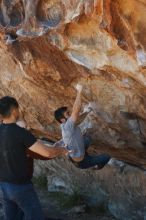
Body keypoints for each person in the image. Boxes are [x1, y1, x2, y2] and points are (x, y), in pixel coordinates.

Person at [0, 96, 69, 220]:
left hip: (4, 185)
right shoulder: (21, 133)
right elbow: (47, 153)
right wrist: (62, 150)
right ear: (15, 111)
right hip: (21, 187)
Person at [54, 84, 111, 169]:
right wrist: (79, 91)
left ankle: (84, 152)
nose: (70, 114)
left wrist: (87, 111)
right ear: (62, 120)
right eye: (67, 114)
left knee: (88, 138)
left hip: (77, 153)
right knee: (107, 156)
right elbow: (76, 110)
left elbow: (78, 119)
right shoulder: (67, 128)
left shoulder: (66, 125)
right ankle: (98, 166)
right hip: (82, 162)